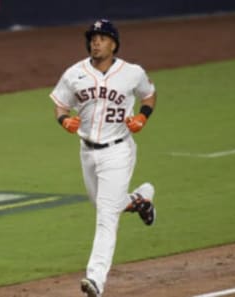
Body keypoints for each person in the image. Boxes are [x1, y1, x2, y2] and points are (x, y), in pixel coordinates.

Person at [49, 19, 157, 297]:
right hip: (87, 151)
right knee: (106, 204)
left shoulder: (131, 73)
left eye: (102, 37)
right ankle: (141, 200)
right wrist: (63, 120)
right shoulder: (75, 73)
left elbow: (149, 96)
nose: (96, 42)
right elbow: (60, 103)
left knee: (106, 216)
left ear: (114, 44)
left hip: (119, 150)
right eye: (93, 38)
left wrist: (142, 118)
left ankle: (95, 279)